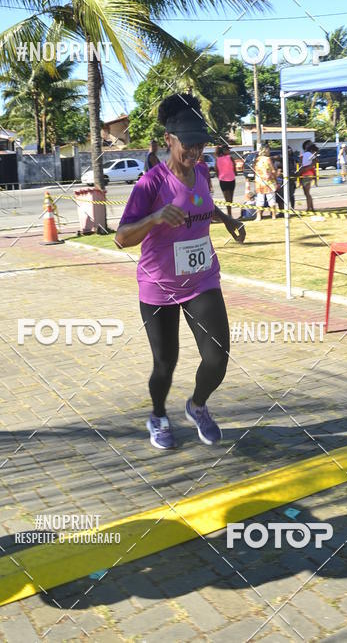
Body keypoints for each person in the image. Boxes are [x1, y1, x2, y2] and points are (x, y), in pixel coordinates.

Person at [115, 94, 246, 451]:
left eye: (200, 144)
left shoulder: (202, 171)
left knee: (217, 357)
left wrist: (227, 220)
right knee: (165, 363)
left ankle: (197, 405)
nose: (195, 151)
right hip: (159, 286)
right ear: (169, 140)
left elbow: (203, 204)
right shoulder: (151, 184)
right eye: (188, 144)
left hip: (202, 278)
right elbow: (121, 238)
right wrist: (156, 217)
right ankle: (158, 415)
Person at [253, 144, 277, 220]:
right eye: (269, 150)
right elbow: (273, 170)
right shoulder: (267, 159)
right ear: (266, 150)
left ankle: (258, 216)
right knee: (271, 199)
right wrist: (275, 177)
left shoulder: (257, 159)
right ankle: (273, 215)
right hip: (268, 181)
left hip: (259, 182)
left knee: (260, 200)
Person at [275, 146, 297, 217]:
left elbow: (294, 169)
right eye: (288, 150)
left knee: (290, 195)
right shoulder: (280, 159)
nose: (289, 152)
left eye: (290, 150)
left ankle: (291, 209)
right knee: (280, 197)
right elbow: (278, 170)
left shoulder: (292, 159)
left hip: (290, 180)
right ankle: (282, 212)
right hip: (281, 180)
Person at [215, 144, 236, 218]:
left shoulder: (217, 159)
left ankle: (229, 214)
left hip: (223, 180)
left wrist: (219, 176)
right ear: (224, 150)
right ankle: (229, 214)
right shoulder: (230, 158)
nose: (229, 151)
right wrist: (234, 173)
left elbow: (216, 170)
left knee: (227, 198)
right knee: (230, 198)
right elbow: (234, 167)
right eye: (228, 149)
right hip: (231, 179)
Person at [299, 142, 317, 212]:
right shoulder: (306, 155)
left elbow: (301, 165)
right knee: (307, 192)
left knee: (307, 193)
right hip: (306, 174)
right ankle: (311, 207)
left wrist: (306, 168)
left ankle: (309, 208)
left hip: (306, 174)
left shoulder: (307, 155)